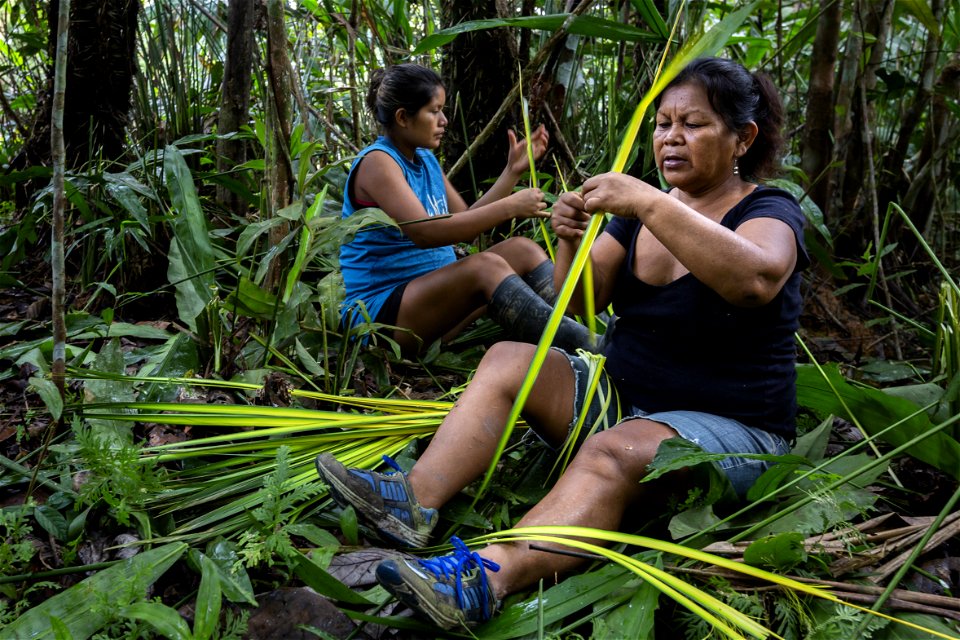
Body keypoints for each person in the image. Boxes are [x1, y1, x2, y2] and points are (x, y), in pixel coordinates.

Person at [317, 56, 808, 630]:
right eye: (663, 123)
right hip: (628, 404)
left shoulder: (768, 209)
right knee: (508, 361)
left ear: (742, 138)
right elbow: (578, 299)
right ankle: (414, 499)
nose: (671, 138)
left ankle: (486, 575)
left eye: (693, 125)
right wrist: (570, 238)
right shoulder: (640, 215)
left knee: (614, 450)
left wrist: (649, 202)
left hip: (733, 430)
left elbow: (755, 279)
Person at [338, 63, 593, 356]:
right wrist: (508, 208)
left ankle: (595, 324)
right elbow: (426, 232)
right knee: (485, 266)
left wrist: (511, 172)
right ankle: (592, 347)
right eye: (434, 111)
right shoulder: (378, 163)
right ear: (403, 118)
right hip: (384, 322)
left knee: (522, 249)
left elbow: (464, 222)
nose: (444, 120)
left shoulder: (425, 159)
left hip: (437, 311)